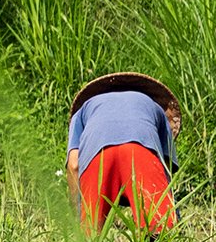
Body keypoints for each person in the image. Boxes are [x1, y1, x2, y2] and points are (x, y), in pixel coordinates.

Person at [66, 73, 181, 233]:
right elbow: (165, 168)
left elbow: (74, 164)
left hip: (97, 156)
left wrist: (77, 215)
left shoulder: (83, 111)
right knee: (159, 232)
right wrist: (173, 214)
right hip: (141, 151)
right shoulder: (154, 107)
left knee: (88, 240)